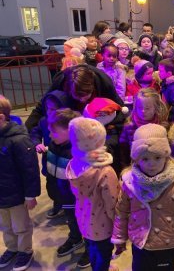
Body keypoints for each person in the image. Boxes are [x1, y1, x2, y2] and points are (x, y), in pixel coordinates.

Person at [111, 123, 174, 271]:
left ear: (166, 156)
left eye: (157, 157)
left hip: (167, 243)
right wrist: (119, 238)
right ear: (136, 159)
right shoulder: (129, 182)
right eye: (145, 159)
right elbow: (121, 210)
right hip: (140, 241)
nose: (151, 164)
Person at [66, 117, 119, 271]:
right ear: (98, 142)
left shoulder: (74, 164)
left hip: (84, 218)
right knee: (103, 254)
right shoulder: (105, 172)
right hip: (103, 225)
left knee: (92, 249)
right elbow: (112, 204)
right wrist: (119, 227)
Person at [46, 108, 91, 269]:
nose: (50, 135)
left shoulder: (79, 153)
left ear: (71, 131)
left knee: (84, 223)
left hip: (77, 199)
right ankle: (75, 238)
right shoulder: (52, 145)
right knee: (71, 221)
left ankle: (90, 247)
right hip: (62, 197)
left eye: (54, 132)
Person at [0, 95, 40, 271]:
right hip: (1, 194)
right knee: (6, 226)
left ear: (1, 117)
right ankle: (12, 248)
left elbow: (30, 170)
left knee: (21, 226)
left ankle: (25, 250)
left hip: (17, 194)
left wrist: (30, 195)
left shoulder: (18, 139)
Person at [25, 64, 125, 132]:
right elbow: (41, 108)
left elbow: (119, 108)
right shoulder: (61, 81)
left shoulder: (103, 81)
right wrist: (25, 131)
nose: (82, 100)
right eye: (77, 96)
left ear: (92, 87)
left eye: (86, 95)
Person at [30, 91, 70, 219]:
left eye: (54, 108)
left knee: (65, 186)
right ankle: (57, 205)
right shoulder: (43, 121)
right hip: (50, 159)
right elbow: (35, 133)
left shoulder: (67, 122)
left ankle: (68, 208)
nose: (49, 111)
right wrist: (37, 143)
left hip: (64, 159)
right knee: (51, 185)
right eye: (48, 108)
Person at [119, 88, 168, 169]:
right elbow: (123, 153)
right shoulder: (129, 127)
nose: (143, 111)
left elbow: (166, 152)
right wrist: (125, 169)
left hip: (157, 167)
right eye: (139, 107)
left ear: (155, 108)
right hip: (135, 168)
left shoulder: (162, 126)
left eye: (147, 108)